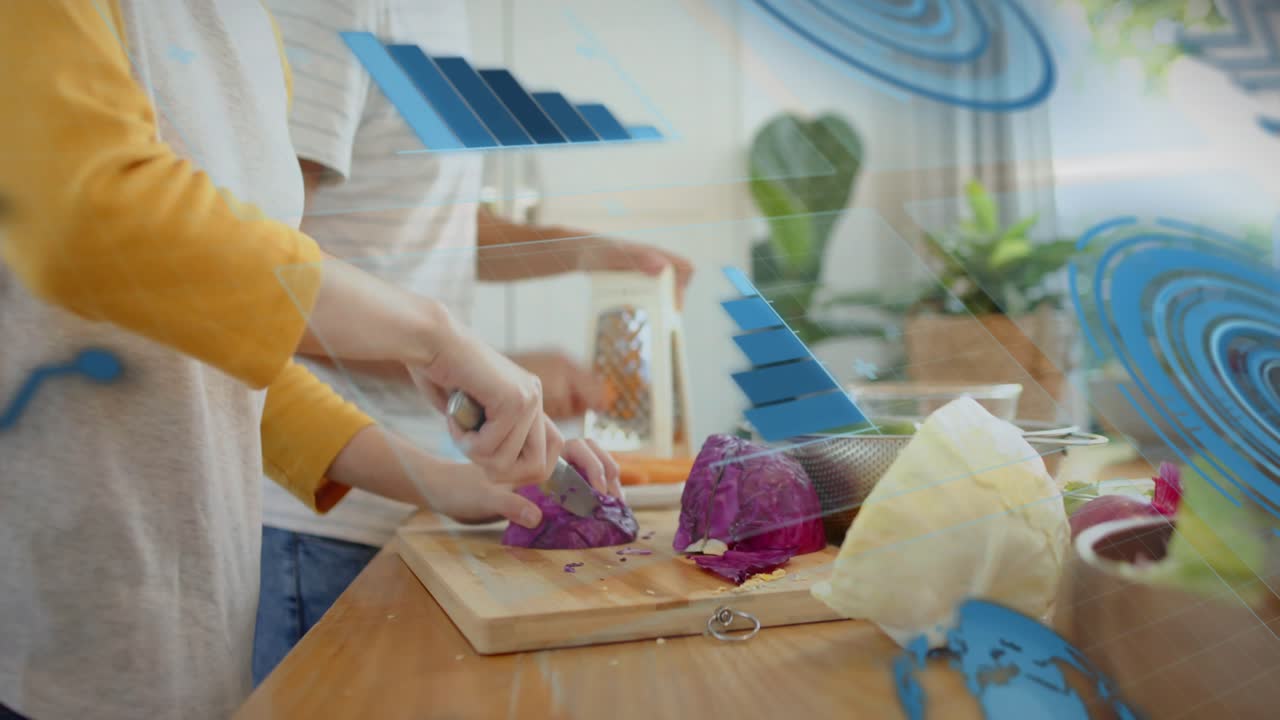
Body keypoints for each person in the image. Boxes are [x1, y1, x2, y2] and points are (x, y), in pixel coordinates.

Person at [0, 2, 612, 718]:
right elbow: (90, 219)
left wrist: (437, 480)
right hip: (45, 638)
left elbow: (222, 349)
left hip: (191, 632)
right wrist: (430, 333)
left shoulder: (254, 30)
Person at [253, 0, 694, 684]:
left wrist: (585, 250)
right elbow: (260, 281)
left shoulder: (441, 18)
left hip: (443, 492)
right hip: (326, 516)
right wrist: (480, 370)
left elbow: (441, 224)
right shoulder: (334, 10)